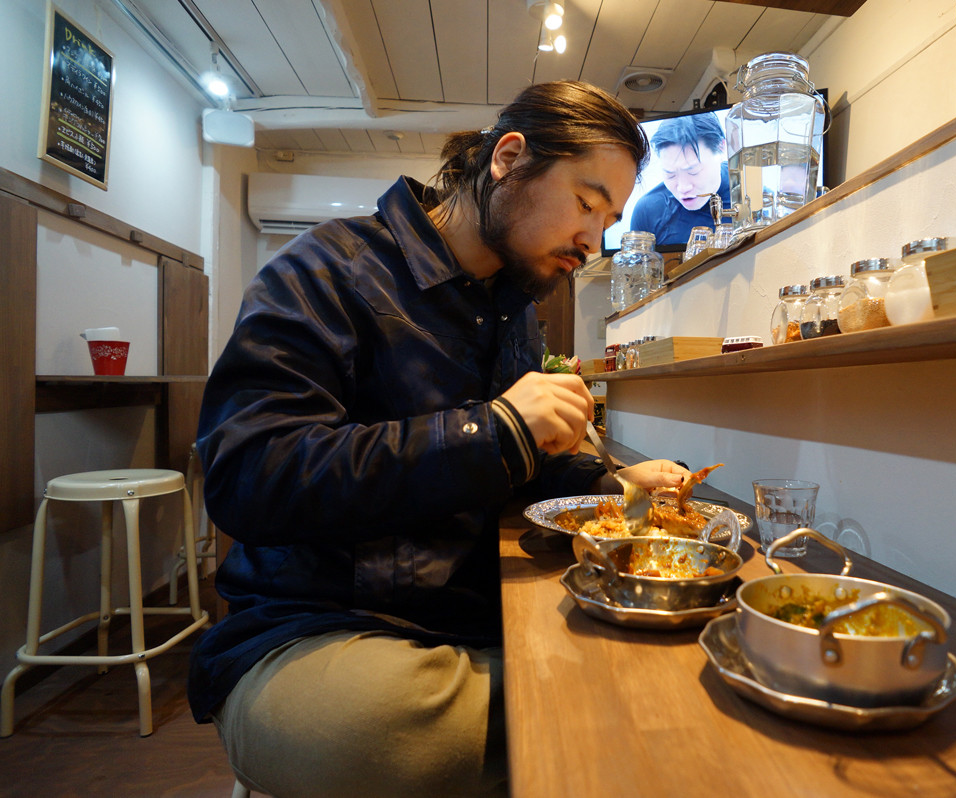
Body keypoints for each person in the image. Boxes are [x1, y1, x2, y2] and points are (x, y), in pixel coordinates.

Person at [189, 80, 691, 798]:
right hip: (322, 625)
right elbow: (247, 477)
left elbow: (517, 466)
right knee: (364, 729)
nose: (592, 240)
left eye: (608, 220)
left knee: (601, 675)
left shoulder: (513, 315)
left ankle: (560, 708)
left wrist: (607, 483)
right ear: (508, 159)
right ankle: (571, 708)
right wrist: (495, 428)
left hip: (469, 621)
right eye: (586, 203)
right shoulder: (326, 269)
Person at [628, 112, 731, 248]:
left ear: (721, 147)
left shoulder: (751, 193)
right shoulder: (648, 211)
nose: (683, 188)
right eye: (670, 174)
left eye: (693, 171)